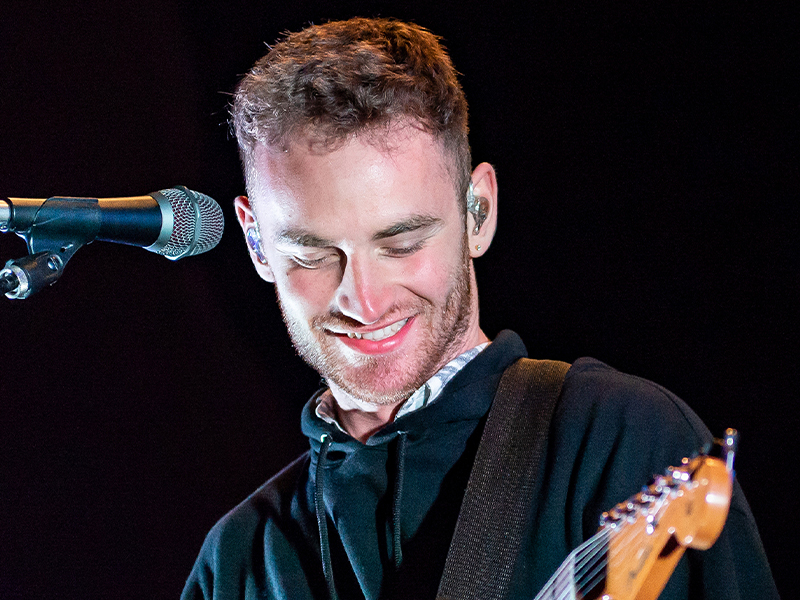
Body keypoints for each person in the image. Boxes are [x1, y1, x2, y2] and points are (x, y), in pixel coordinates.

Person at [182, 17, 778, 600]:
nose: (363, 301)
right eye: (312, 254)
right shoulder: (240, 560)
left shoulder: (619, 439)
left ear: (478, 213)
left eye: (403, 243)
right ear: (255, 241)